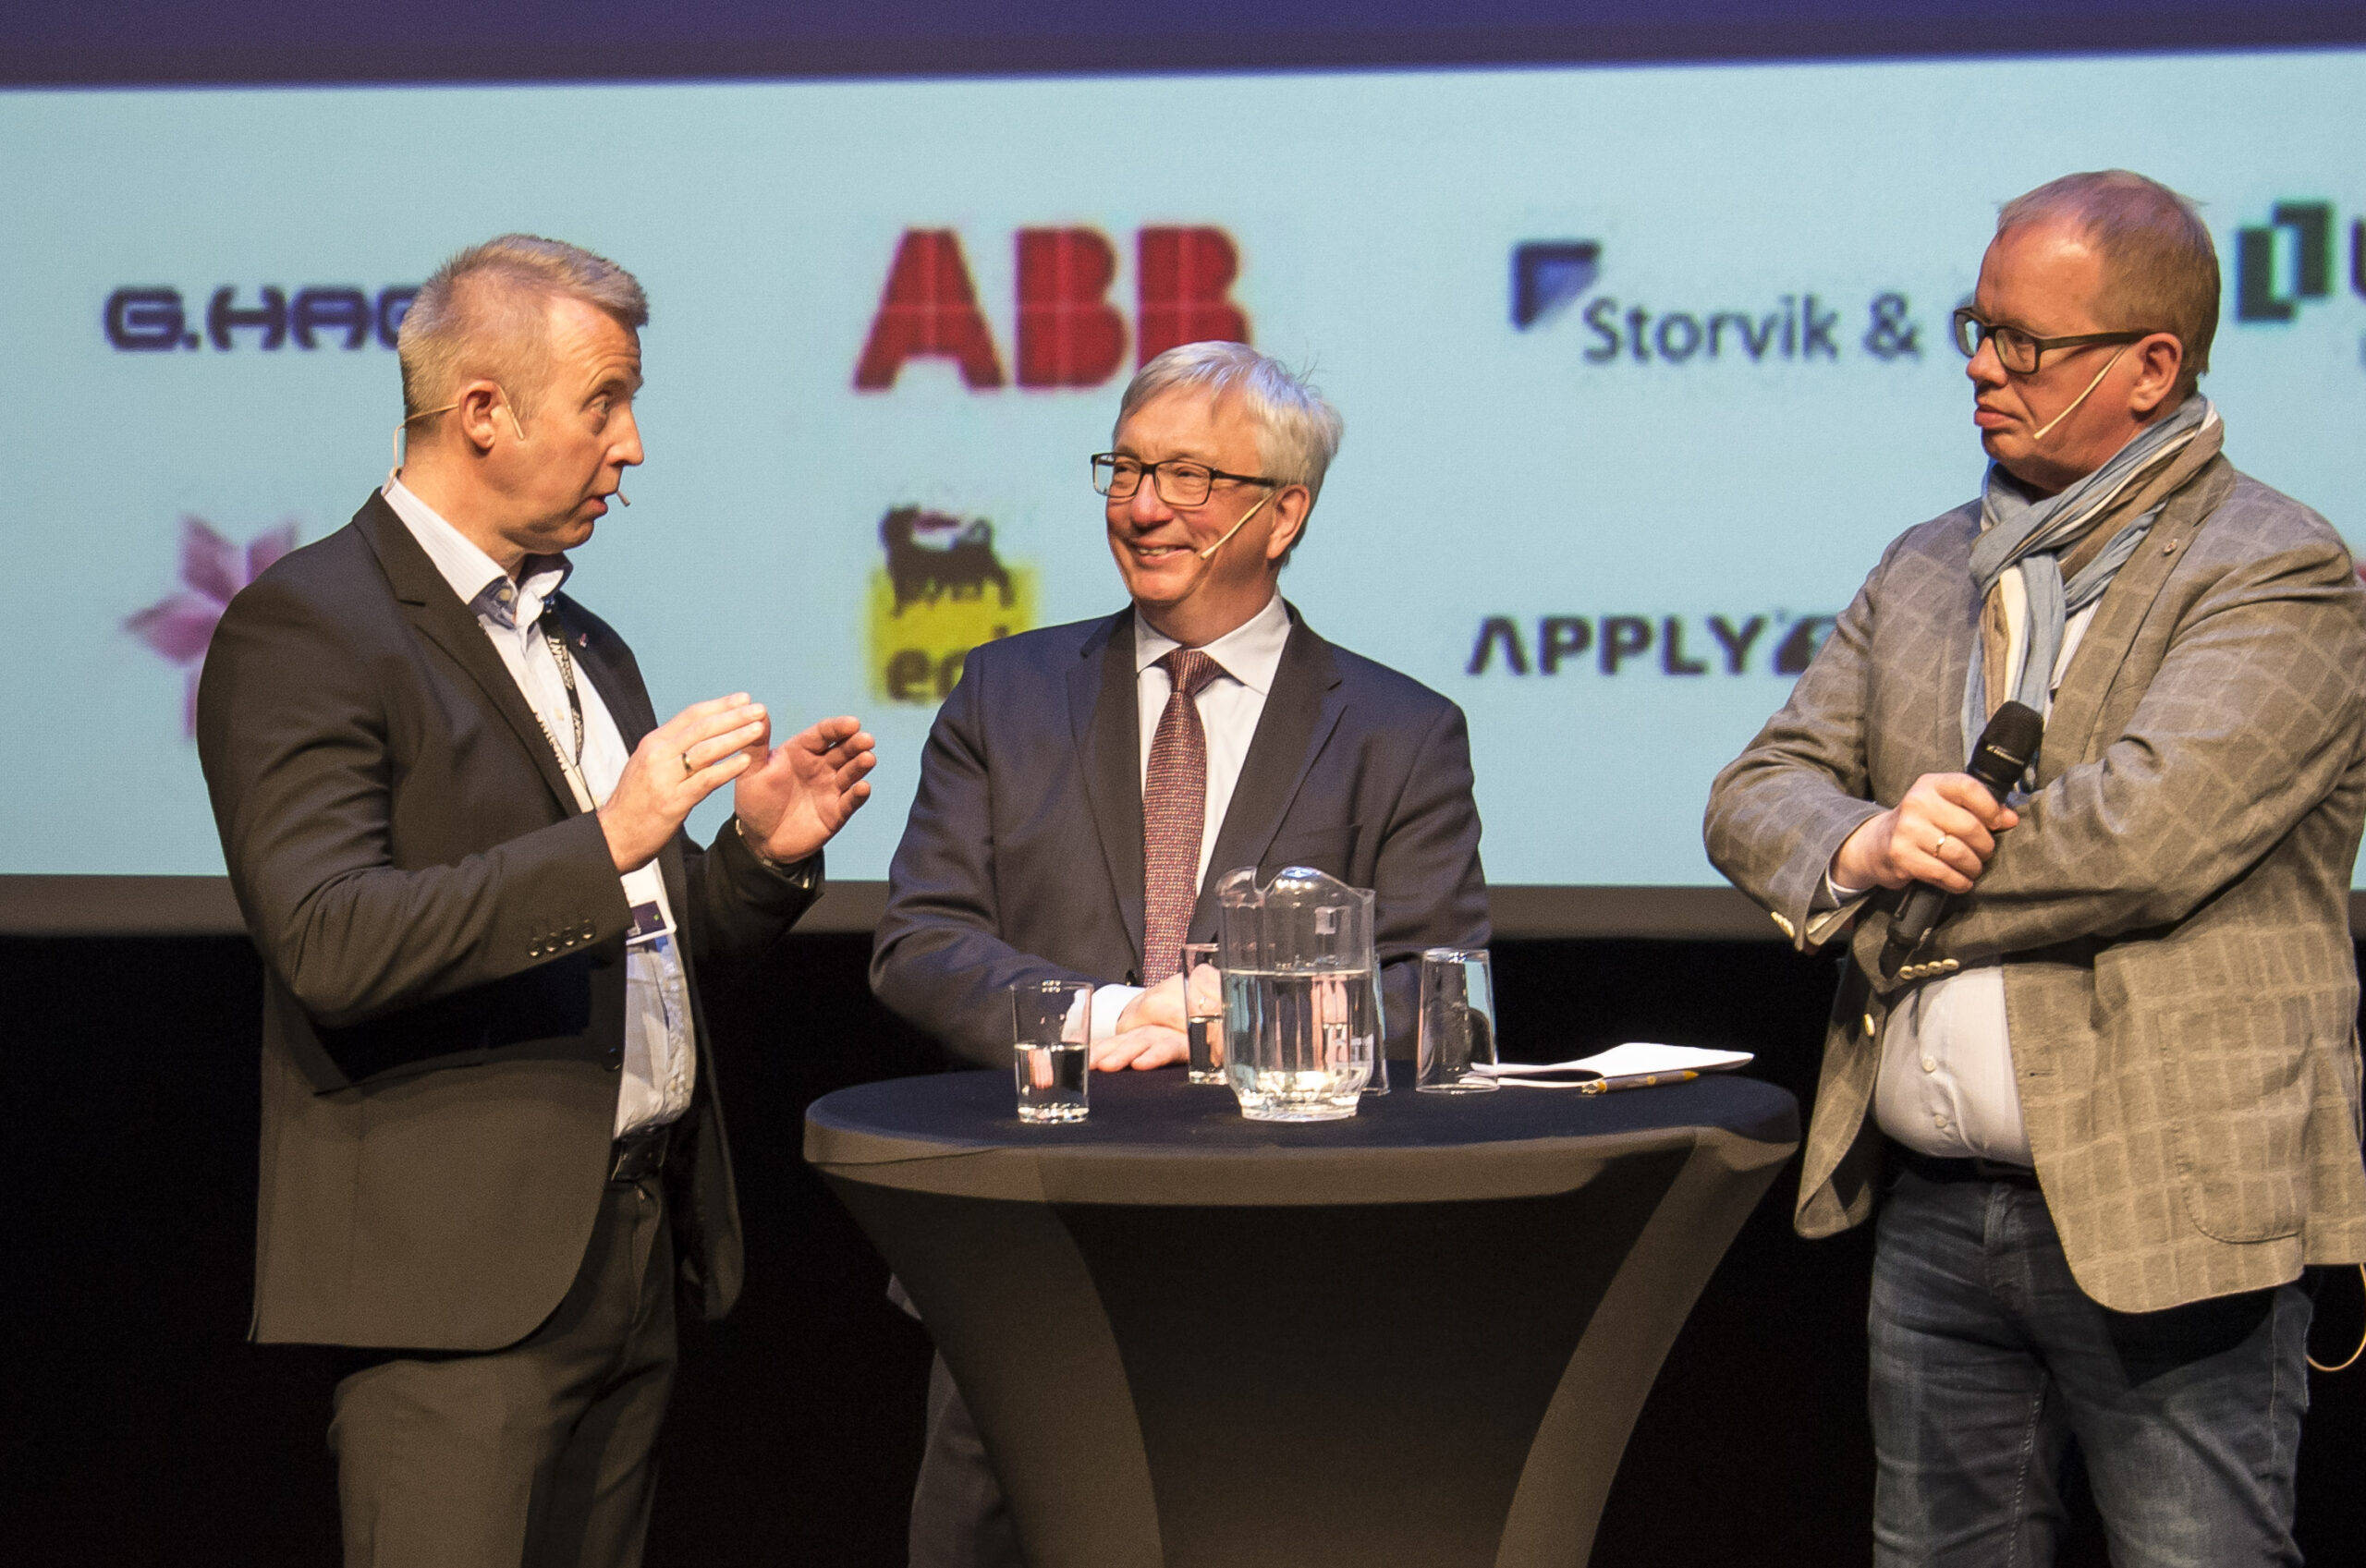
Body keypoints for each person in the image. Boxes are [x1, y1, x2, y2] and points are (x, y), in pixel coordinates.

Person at [1705, 170, 2366, 1565]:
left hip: (2168, 1203)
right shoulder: (1930, 563)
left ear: (2150, 366)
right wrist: (1869, 838)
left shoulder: (2281, 568)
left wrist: (1895, 900)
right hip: (1939, 1208)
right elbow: (1758, 792)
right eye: (1975, 324)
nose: (1979, 365)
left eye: (2023, 341)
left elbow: (2145, 840)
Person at [194, 234, 876, 1568]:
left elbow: (634, 945)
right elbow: (330, 938)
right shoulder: (311, 626)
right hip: (460, 1299)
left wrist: (755, 861)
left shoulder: (580, 638)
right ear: (483, 413)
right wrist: (610, 832)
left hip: (628, 1259)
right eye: (604, 403)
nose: (632, 448)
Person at [872, 340, 1489, 1566]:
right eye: (1127, 466)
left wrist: (1238, 1017)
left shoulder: (1401, 733)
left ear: (1283, 511)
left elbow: (1442, 1005)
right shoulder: (1006, 691)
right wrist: (1106, 1013)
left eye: (1189, 476)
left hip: (1276, 1283)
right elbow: (920, 940)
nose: (1143, 504)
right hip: (1023, 1265)